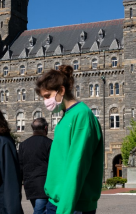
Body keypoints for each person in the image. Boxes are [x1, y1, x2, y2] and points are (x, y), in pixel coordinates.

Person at [35, 65, 104, 214]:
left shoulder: (81, 115)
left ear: (61, 90)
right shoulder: (67, 116)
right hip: (58, 201)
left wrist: (65, 209)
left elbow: (77, 166)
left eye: (47, 96)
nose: (45, 102)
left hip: (72, 204)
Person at [18, 118, 53, 214]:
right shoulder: (49, 143)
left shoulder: (23, 145)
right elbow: (53, 166)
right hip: (44, 185)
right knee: (40, 211)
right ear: (45, 128)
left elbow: (20, 167)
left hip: (29, 185)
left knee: (38, 209)